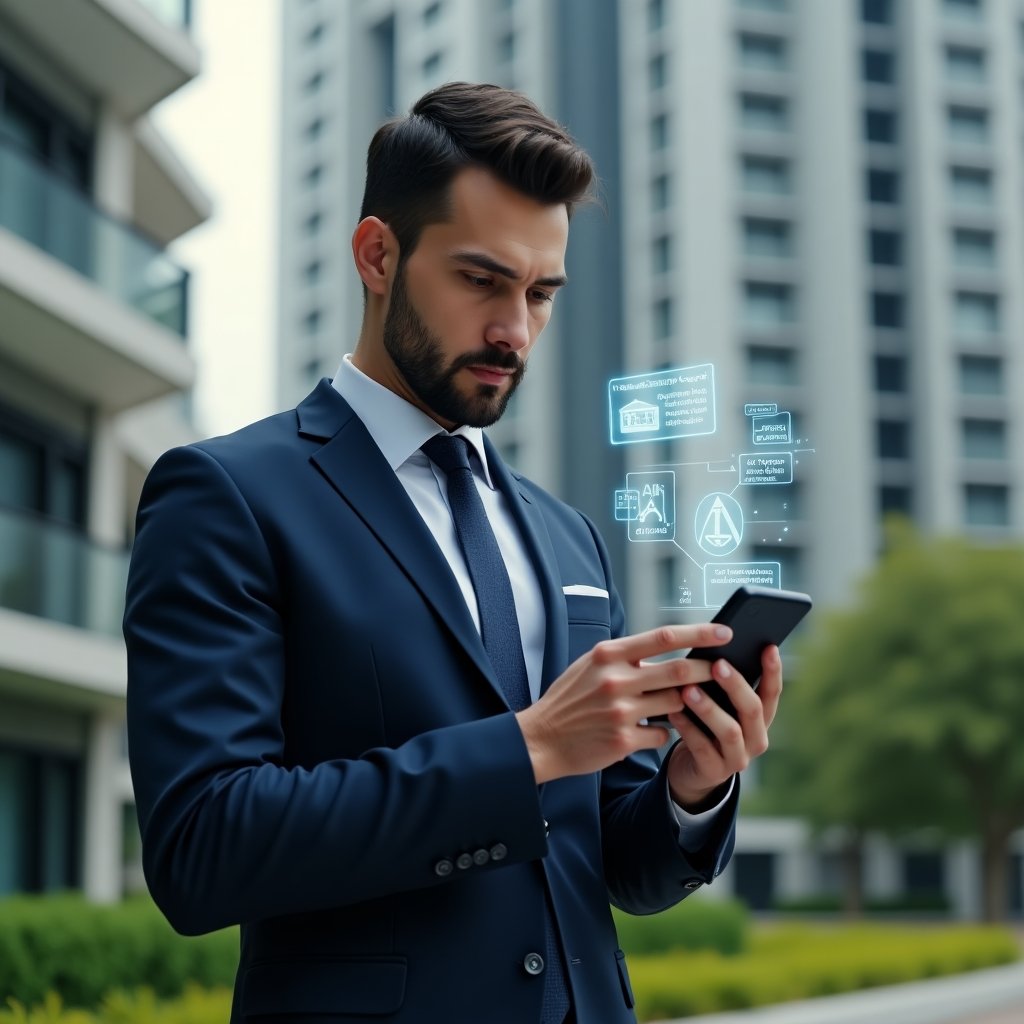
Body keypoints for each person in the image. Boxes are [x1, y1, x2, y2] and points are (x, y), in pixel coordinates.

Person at [124, 82, 782, 1024]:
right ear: (377, 254)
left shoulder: (567, 535)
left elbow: (615, 864)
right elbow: (202, 848)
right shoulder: (228, 495)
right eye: (482, 280)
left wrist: (692, 787)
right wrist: (530, 747)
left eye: (542, 292)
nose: (516, 330)